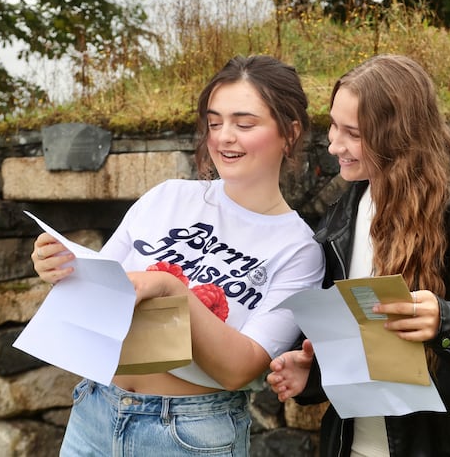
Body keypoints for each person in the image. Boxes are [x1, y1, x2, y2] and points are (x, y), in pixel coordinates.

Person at [31, 55, 324, 457]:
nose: (224, 137)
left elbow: (240, 368)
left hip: (189, 432)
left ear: (289, 134)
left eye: (244, 123)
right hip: (95, 411)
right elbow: (104, 289)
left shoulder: (299, 250)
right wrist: (61, 267)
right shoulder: (167, 196)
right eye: (215, 122)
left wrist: (172, 289)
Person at [266, 54, 450, 457]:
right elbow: (362, 348)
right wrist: (313, 373)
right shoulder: (340, 221)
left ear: (396, 134)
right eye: (333, 125)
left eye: (353, 132)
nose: (334, 144)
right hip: (356, 447)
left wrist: (447, 320)